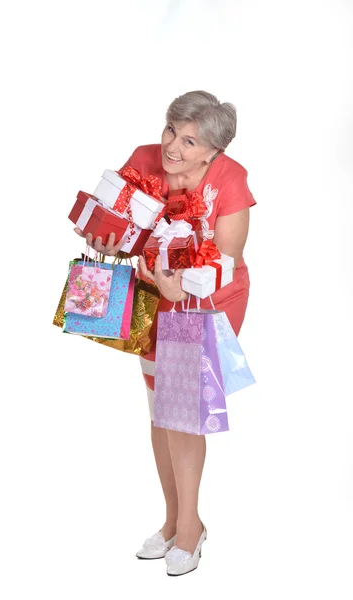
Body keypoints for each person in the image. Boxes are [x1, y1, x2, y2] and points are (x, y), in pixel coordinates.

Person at [74, 91, 256, 576]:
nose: (172, 146)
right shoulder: (143, 159)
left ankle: (192, 527)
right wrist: (103, 239)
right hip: (154, 293)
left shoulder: (230, 179)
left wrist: (180, 289)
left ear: (213, 151)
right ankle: (174, 519)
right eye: (171, 130)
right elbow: (119, 228)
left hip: (207, 300)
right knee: (160, 408)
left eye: (189, 140)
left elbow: (228, 258)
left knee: (183, 411)